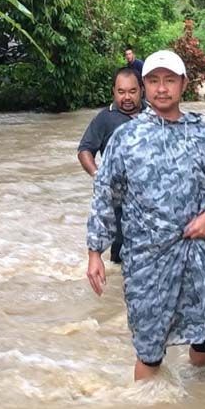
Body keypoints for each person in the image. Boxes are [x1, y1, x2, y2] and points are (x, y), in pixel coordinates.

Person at [86, 50, 205, 381]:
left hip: (194, 255)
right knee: (150, 352)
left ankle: (194, 399)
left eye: (170, 80)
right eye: (153, 81)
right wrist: (95, 251)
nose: (162, 88)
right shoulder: (127, 138)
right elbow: (104, 194)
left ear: (184, 84)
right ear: (144, 87)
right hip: (145, 262)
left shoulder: (204, 136)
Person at [77, 67, 144, 263]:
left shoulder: (154, 114)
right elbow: (84, 150)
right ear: (113, 92)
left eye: (132, 91)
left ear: (142, 89)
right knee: (121, 252)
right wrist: (97, 174)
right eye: (121, 92)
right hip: (119, 199)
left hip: (151, 198)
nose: (127, 97)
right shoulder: (105, 118)